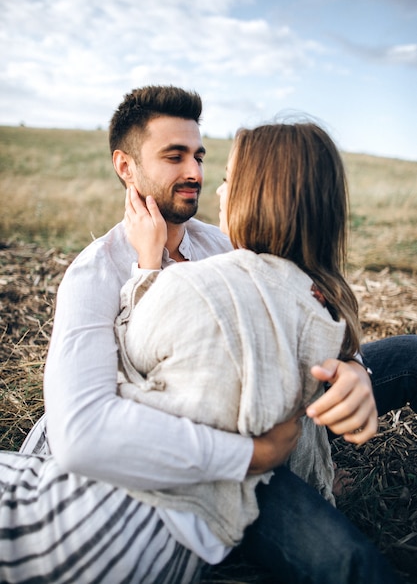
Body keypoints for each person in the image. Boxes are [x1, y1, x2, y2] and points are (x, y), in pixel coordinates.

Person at [11, 86, 414, 582]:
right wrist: (252, 456)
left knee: (409, 354)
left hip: (273, 404)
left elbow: (300, 301)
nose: (195, 173)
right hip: (211, 467)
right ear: (126, 166)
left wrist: (351, 370)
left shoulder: (221, 241)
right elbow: (82, 431)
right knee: (344, 560)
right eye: (174, 156)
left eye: (199, 156)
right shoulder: (94, 275)